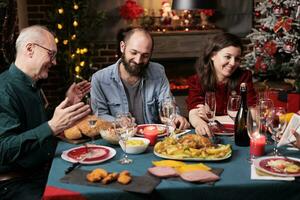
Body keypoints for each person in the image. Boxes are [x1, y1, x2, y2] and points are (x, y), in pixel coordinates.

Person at [0, 25, 91, 199]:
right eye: (51, 54)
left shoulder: (30, 85)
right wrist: (51, 127)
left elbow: (33, 124)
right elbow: (3, 150)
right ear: (30, 49)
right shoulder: (4, 90)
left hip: (43, 171)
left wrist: (67, 104)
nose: (54, 62)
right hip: (13, 184)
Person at [91, 28, 190, 129]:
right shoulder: (99, 79)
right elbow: (99, 115)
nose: (138, 60)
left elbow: (167, 103)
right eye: (133, 53)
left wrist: (175, 117)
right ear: (122, 47)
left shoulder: (158, 71)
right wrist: (117, 121)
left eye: (145, 56)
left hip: (153, 138)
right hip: (120, 139)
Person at [187, 32, 256, 137]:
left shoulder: (244, 77)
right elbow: (194, 112)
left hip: (238, 134)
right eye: (228, 57)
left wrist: (213, 118)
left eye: (237, 59)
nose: (233, 63)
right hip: (209, 134)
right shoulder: (197, 80)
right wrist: (199, 123)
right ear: (212, 55)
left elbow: (253, 113)